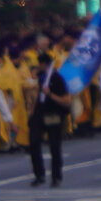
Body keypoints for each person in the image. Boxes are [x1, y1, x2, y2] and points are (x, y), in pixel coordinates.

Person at [28, 50, 71, 186]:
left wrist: (50, 94)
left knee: (54, 146)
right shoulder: (39, 78)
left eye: (40, 64)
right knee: (34, 143)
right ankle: (39, 174)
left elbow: (66, 100)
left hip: (54, 114)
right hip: (39, 113)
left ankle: (56, 177)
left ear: (44, 64)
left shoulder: (57, 78)